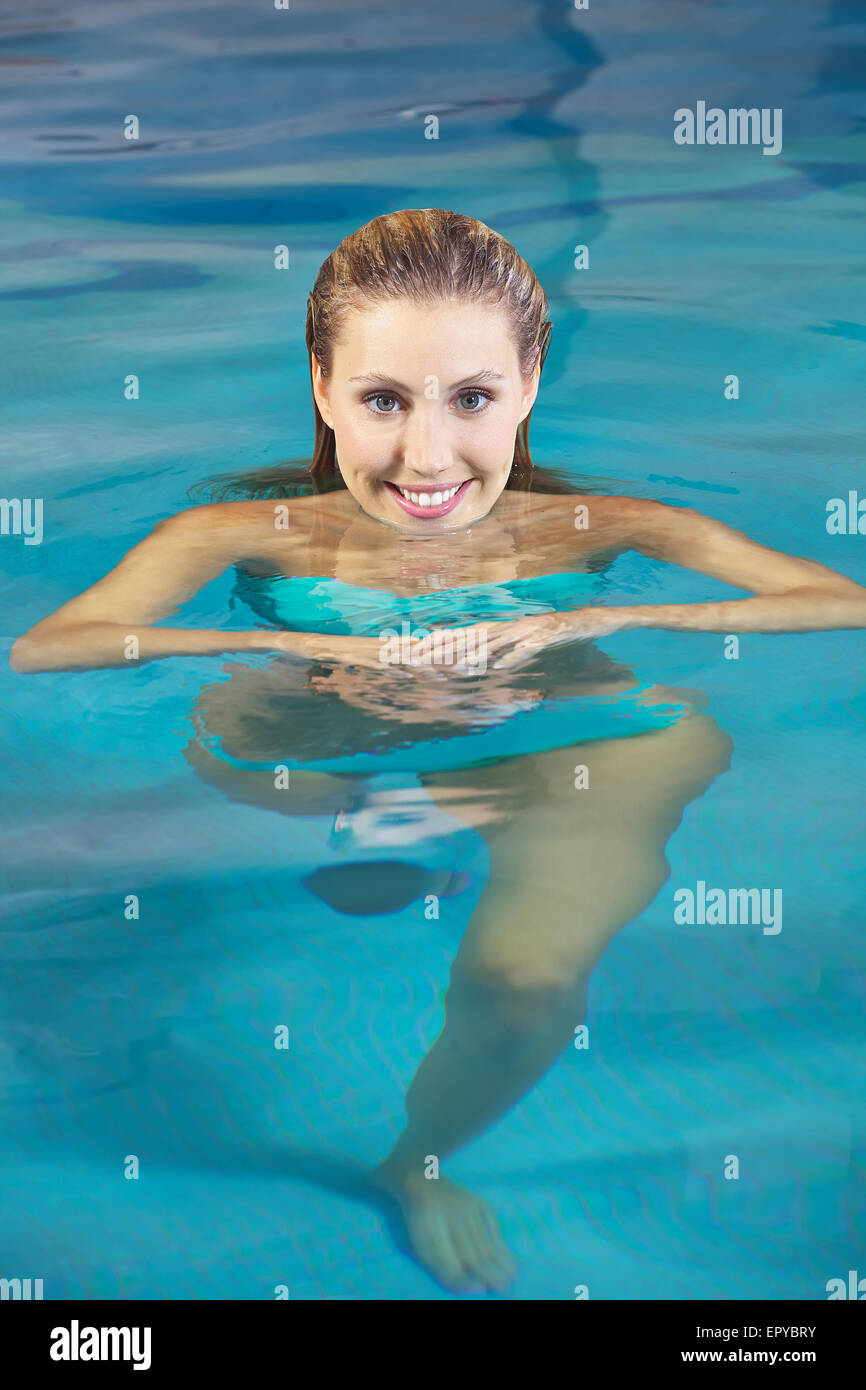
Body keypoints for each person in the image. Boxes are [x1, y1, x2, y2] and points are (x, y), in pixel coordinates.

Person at [11, 209, 866, 1294]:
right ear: (321, 386)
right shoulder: (238, 533)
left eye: (471, 398)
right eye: (381, 400)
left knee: (521, 985)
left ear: (528, 384)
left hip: (551, 737)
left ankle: (416, 1162)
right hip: (324, 731)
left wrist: (571, 626)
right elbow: (54, 648)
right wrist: (312, 651)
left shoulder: (600, 526)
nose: (425, 457)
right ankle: (405, 811)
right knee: (234, 737)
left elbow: (837, 602)